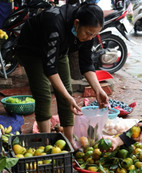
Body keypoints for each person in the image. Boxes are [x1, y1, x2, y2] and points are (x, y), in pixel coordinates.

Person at [15, 3, 109, 147]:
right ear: (77, 23)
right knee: (44, 95)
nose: (90, 38)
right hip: (31, 51)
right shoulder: (54, 22)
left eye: (94, 35)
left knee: (67, 92)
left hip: (58, 50)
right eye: (88, 34)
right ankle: (45, 143)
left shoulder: (88, 32)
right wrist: (67, 97)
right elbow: (50, 68)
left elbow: (86, 63)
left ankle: (69, 141)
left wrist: (98, 89)